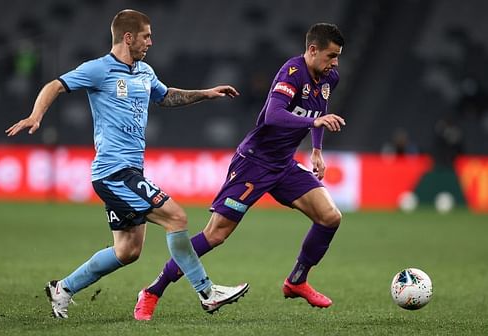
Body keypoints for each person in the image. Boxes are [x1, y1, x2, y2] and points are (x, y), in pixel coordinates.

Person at [5, 9, 249, 319]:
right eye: (146, 35)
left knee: (128, 251)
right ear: (128, 37)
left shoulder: (145, 72)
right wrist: (36, 115)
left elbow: (166, 96)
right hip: (113, 172)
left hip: (131, 171)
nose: (151, 41)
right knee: (176, 217)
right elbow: (54, 85)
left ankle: (63, 288)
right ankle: (207, 292)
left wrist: (205, 94)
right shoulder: (99, 69)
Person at [134, 23, 346, 320]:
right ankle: (152, 291)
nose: (335, 63)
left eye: (338, 57)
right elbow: (273, 115)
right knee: (216, 234)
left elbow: (319, 112)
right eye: (331, 56)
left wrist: (317, 149)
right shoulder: (292, 73)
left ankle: (296, 281)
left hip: (284, 164)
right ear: (312, 50)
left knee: (330, 217)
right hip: (254, 162)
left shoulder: (328, 78)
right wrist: (313, 125)